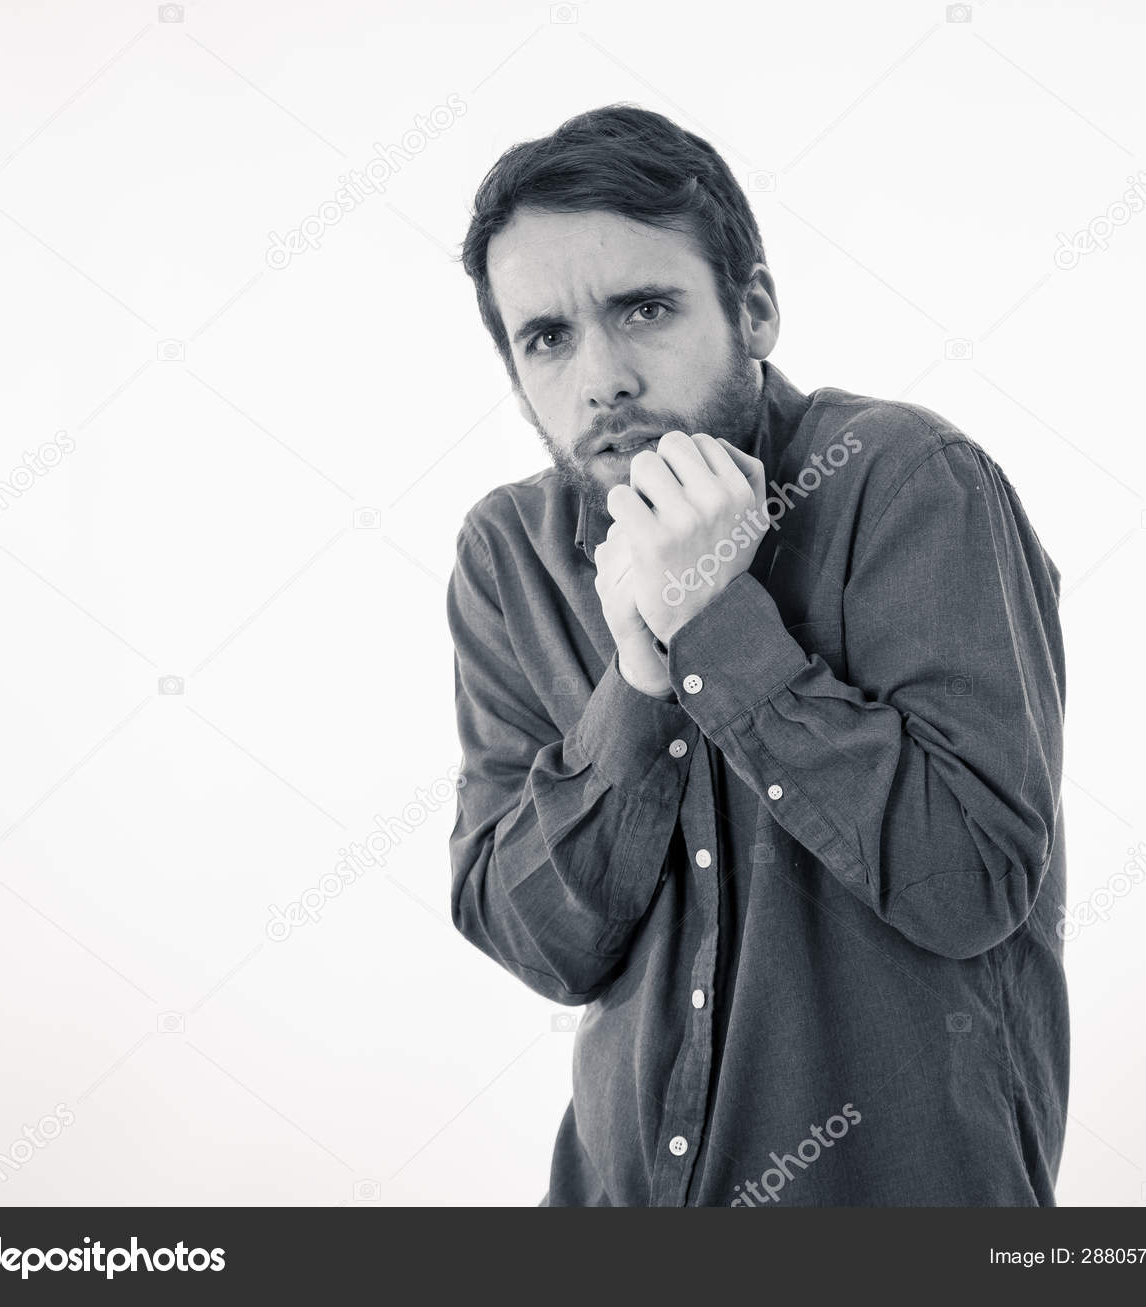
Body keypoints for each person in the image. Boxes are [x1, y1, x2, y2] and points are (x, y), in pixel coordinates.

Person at [446, 104, 1068, 1206]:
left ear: (756, 309)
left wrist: (716, 621)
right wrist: (639, 687)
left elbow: (969, 882)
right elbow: (535, 938)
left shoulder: (908, 478)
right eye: (546, 336)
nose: (601, 379)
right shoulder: (508, 555)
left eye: (643, 309)